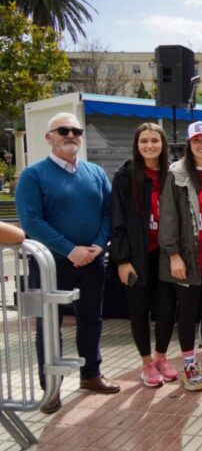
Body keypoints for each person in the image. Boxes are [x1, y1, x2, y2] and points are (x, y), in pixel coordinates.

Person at [16, 112, 119, 414]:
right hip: (49, 264)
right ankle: (51, 387)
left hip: (91, 262)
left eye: (76, 130)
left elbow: (108, 213)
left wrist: (98, 246)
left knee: (91, 320)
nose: (71, 135)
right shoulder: (33, 175)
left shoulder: (96, 173)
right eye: (63, 130)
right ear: (49, 137)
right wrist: (70, 249)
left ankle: (91, 375)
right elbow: (32, 221)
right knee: (48, 326)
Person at [159, 121, 202, 391]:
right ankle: (189, 362)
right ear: (189, 144)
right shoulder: (176, 174)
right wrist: (173, 254)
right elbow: (168, 218)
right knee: (188, 311)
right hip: (189, 256)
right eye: (197, 140)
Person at [110, 123, 178, 388]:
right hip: (138, 255)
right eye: (144, 141)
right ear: (137, 146)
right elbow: (117, 219)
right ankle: (146, 362)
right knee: (139, 310)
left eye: (154, 141)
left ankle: (162, 357)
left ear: (163, 144)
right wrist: (122, 260)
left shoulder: (173, 174)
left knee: (166, 308)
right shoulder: (125, 175)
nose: (149, 146)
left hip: (166, 254)